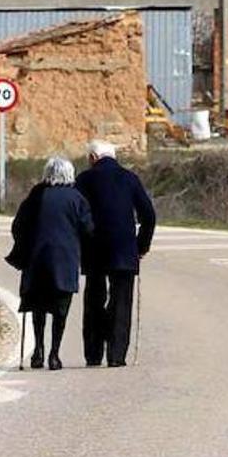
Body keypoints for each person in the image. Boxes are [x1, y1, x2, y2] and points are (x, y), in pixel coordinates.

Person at [6, 156, 94, 371]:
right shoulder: (76, 198)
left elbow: (18, 226)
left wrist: (24, 246)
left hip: (37, 259)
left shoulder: (36, 195)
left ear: (47, 173)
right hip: (64, 260)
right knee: (60, 309)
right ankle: (54, 354)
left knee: (38, 307)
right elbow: (88, 229)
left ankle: (38, 351)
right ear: (69, 174)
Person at [76, 139, 156, 368]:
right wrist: (141, 246)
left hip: (94, 249)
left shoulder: (84, 179)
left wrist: (78, 243)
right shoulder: (130, 178)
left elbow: (77, 214)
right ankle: (117, 355)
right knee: (121, 302)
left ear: (93, 158)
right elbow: (148, 215)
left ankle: (93, 354)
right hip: (124, 250)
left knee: (94, 299)